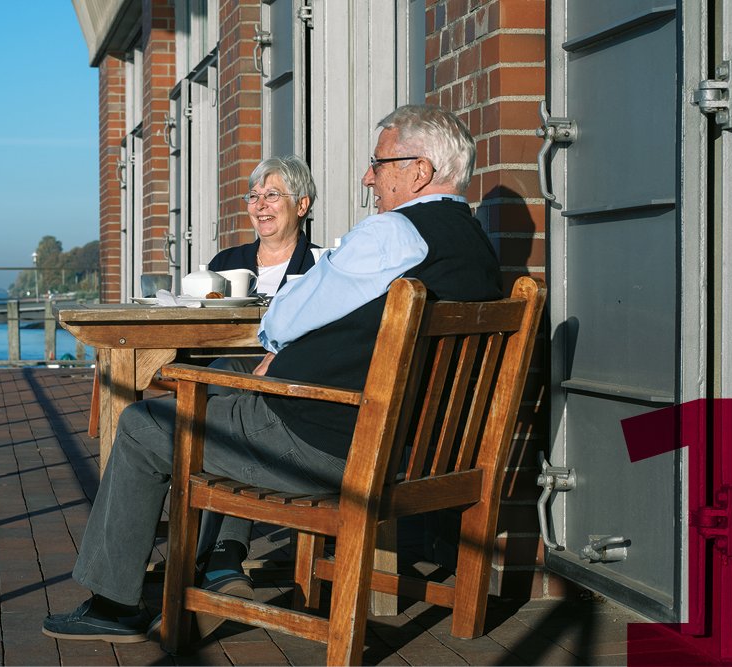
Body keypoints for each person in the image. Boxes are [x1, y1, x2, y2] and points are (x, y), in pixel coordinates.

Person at [41, 104, 502, 645]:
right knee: (229, 380)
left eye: (378, 164)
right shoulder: (477, 247)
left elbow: (286, 312)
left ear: (418, 171)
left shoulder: (394, 233)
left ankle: (113, 604)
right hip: (418, 452)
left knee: (145, 424)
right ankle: (221, 561)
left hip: (332, 447)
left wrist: (276, 349)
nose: (367, 177)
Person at [207, 154, 318, 296]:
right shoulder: (224, 264)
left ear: (301, 205)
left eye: (272, 194)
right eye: (253, 196)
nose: (259, 205)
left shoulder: (320, 266)